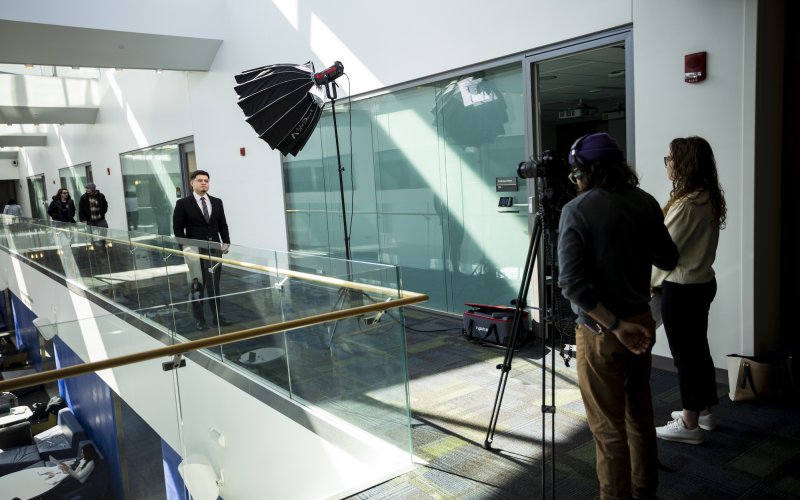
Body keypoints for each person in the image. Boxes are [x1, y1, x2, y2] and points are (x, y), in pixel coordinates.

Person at [557, 132, 678, 500]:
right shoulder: (645, 201)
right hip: (641, 323)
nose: (575, 180)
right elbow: (668, 258)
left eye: (576, 173)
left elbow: (571, 285)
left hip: (601, 332)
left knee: (608, 427)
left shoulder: (577, 209)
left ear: (586, 170)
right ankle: (645, 489)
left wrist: (613, 324)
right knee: (639, 413)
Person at [652, 136, 727, 445]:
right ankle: (703, 412)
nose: (667, 164)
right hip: (701, 283)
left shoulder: (686, 204)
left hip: (681, 288)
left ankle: (689, 423)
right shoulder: (707, 195)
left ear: (685, 163)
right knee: (698, 351)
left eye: (670, 158)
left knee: (686, 357)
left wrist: (651, 282)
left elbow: (665, 252)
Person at [172, 170, 232, 331]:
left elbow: (222, 224)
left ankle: (217, 316)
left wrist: (226, 242)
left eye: (206, 180)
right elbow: (178, 230)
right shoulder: (183, 204)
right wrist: (185, 248)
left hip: (214, 249)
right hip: (194, 250)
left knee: (214, 285)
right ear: (192, 183)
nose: (204, 183)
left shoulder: (217, 202)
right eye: (200, 180)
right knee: (197, 285)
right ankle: (200, 319)